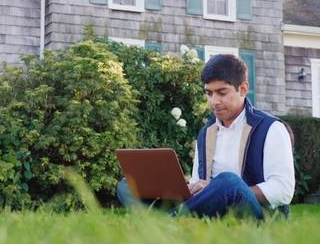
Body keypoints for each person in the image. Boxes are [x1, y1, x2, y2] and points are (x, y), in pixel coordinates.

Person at [116, 53, 295, 220]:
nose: (213, 102)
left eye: (222, 93)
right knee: (128, 185)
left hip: (256, 213)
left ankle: (165, 223)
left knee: (229, 181)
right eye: (209, 93)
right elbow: (197, 181)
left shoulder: (271, 128)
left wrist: (222, 189)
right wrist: (191, 189)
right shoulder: (206, 132)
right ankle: (173, 221)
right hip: (212, 211)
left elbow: (284, 189)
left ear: (242, 89)